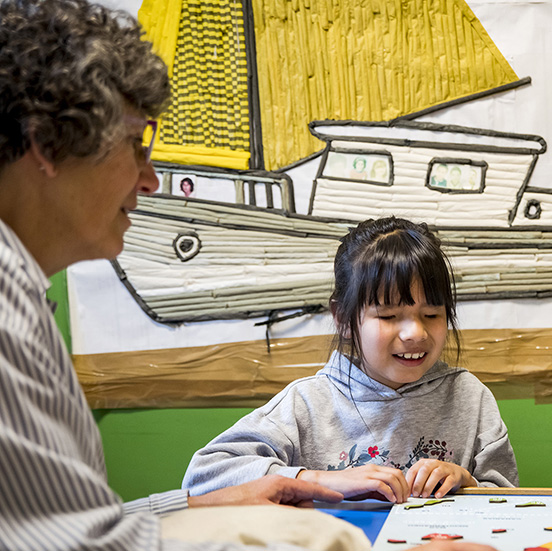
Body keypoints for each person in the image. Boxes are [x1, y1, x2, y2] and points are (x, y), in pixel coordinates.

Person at [0, 1, 498, 549]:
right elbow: (74, 539)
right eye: (135, 145)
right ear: (47, 143)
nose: (150, 179)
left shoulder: (22, 299)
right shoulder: (9, 315)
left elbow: (71, 522)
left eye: (431, 313)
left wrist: (212, 502)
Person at [183, 217, 518, 502]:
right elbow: (202, 477)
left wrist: (467, 482)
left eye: (431, 314)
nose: (416, 333)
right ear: (343, 318)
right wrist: (317, 479)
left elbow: (510, 497)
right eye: (388, 316)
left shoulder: (469, 397)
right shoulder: (307, 404)